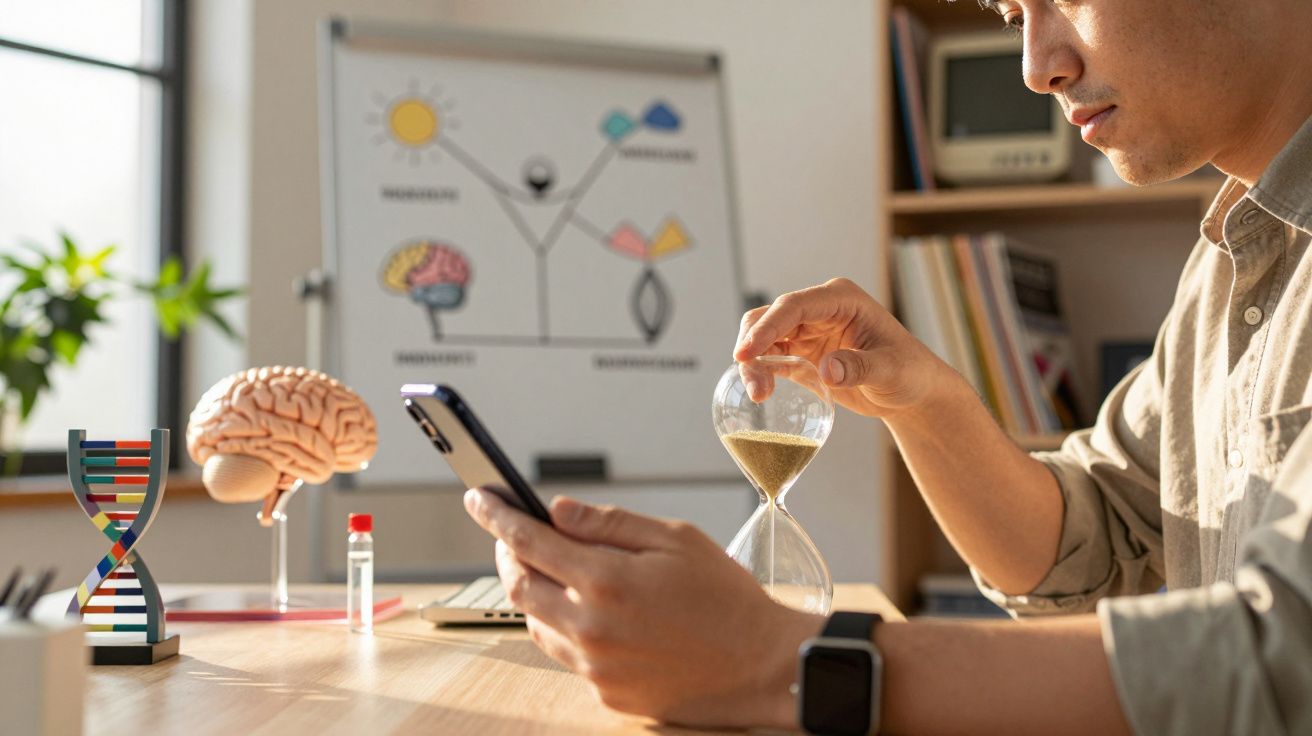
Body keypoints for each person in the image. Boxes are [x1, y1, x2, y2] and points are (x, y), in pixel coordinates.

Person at [463, 0, 1312, 732]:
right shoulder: (1228, 261)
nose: (1036, 68)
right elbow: (1091, 549)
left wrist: (778, 660)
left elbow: (1289, 663)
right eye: (1013, 15)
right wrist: (923, 401)